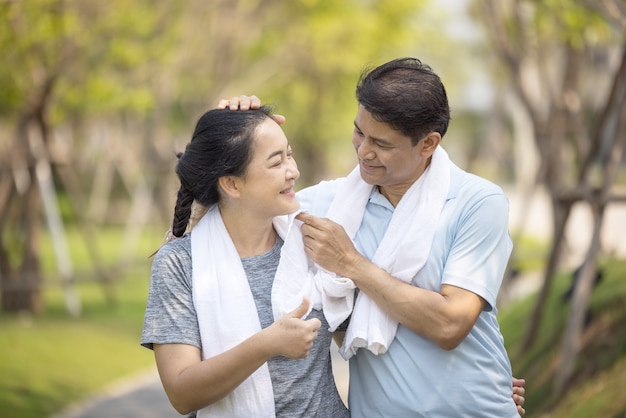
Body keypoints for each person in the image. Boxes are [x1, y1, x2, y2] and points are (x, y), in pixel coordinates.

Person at [221, 57, 526, 416]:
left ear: (428, 144)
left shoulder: (476, 202)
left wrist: (351, 264)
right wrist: (231, 131)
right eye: (359, 132)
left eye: (381, 143)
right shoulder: (333, 204)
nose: (364, 151)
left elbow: (450, 324)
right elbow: (232, 206)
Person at [141, 107, 351, 417]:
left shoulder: (311, 239)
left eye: (289, 155)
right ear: (232, 184)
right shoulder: (181, 264)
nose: (292, 170)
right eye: (276, 162)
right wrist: (267, 344)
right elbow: (182, 393)